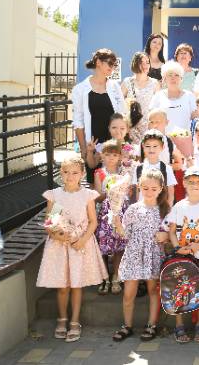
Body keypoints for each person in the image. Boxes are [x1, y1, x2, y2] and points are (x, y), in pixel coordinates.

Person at [37, 154, 107, 342]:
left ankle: (75, 321)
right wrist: (57, 235)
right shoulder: (55, 195)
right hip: (60, 245)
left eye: (75, 172)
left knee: (76, 285)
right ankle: (62, 319)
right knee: (62, 286)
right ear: (61, 173)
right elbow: (50, 221)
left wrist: (82, 240)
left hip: (79, 244)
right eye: (66, 172)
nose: (70, 176)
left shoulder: (86, 195)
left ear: (82, 174)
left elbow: (93, 221)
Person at [113, 168, 169, 343]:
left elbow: (171, 234)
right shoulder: (133, 209)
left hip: (153, 254)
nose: (149, 192)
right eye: (145, 188)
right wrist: (117, 225)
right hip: (133, 254)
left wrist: (166, 236)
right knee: (128, 294)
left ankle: (152, 324)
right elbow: (125, 234)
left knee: (153, 290)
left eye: (154, 189)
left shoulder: (165, 210)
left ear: (161, 189)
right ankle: (127, 325)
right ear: (139, 187)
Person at [168, 166, 199, 343]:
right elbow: (172, 231)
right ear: (184, 183)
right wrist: (177, 248)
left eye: (198, 181)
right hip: (182, 255)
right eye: (190, 182)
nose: (194, 184)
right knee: (179, 289)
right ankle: (179, 325)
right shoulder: (179, 206)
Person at [73, 49, 125, 181]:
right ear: (98, 62)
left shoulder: (115, 87)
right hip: (93, 145)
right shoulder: (80, 89)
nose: (112, 67)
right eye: (110, 63)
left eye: (114, 64)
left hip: (113, 144)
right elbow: (78, 121)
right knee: (94, 182)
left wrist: (121, 143)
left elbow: (122, 116)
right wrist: (84, 148)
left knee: (115, 182)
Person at [93, 140, 130, 296]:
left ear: (119, 157)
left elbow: (128, 192)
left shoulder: (124, 172)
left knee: (119, 245)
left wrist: (119, 193)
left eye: (114, 155)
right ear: (102, 156)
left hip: (121, 212)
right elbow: (97, 197)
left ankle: (116, 275)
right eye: (107, 155)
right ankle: (104, 277)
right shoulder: (99, 173)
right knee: (102, 244)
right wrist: (110, 193)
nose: (111, 158)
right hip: (104, 213)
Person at [121, 52, 160, 145]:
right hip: (132, 126)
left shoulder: (155, 83)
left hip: (149, 125)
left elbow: (158, 106)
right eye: (141, 62)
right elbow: (119, 104)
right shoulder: (127, 82)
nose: (145, 65)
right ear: (135, 64)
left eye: (147, 62)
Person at [132, 130, 177, 206]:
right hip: (142, 208)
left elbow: (171, 193)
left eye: (155, 146)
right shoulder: (138, 168)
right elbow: (137, 191)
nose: (151, 149)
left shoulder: (166, 168)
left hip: (160, 209)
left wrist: (168, 211)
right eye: (148, 146)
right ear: (143, 146)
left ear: (162, 147)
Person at [149, 61, 196, 133]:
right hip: (163, 138)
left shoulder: (190, 96)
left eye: (176, 75)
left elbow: (196, 120)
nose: (173, 78)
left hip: (184, 138)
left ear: (181, 79)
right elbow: (151, 120)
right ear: (164, 79)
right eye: (170, 75)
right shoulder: (158, 96)